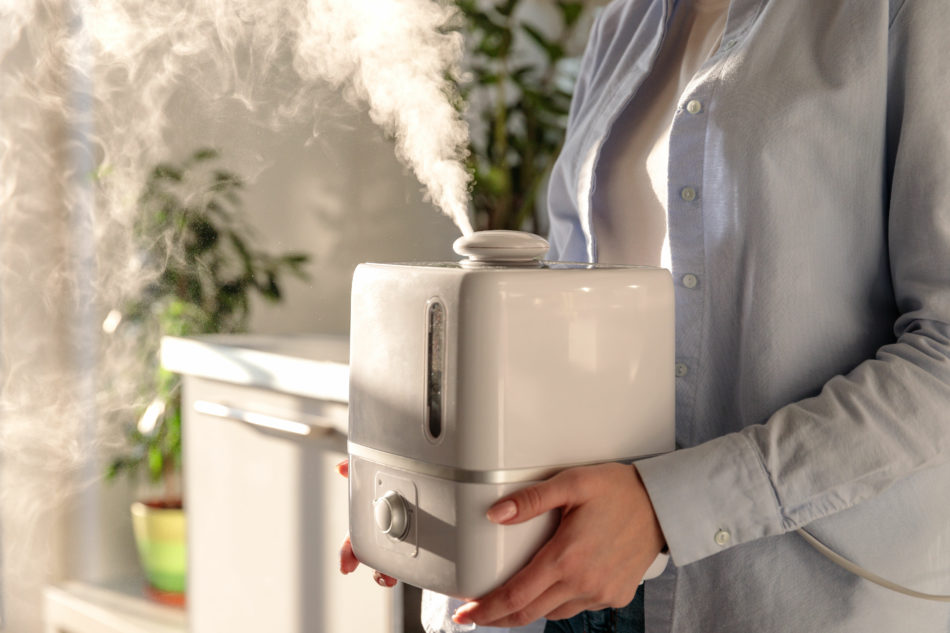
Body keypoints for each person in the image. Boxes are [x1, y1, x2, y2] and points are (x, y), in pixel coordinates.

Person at [342, 0, 950, 631]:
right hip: (569, 573)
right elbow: (566, 317)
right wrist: (423, 460)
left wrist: (665, 509)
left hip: (777, 592)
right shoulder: (625, 24)